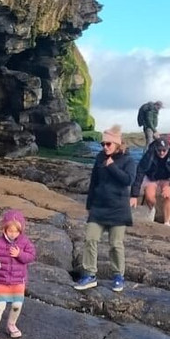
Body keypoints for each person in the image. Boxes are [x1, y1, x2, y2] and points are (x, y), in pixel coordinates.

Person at [75, 125, 138, 293]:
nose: (105, 147)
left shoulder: (128, 160)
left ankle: (118, 276)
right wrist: (89, 205)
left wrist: (112, 166)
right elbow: (94, 182)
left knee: (115, 245)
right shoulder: (99, 158)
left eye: (108, 144)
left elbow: (128, 180)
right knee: (90, 239)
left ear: (117, 144)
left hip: (118, 209)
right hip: (98, 207)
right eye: (103, 144)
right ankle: (89, 274)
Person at [0, 209, 37, 339]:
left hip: (18, 281)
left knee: (17, 305)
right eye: (10, 231)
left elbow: (31, 256)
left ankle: (11, 324)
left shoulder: (24, 242)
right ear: (4, 228)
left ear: (21, 230)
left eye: (16, 231)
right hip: (1, 280)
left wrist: (20, 254)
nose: (13, 234)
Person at [132, 137, 170, 227]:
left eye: (164, 150)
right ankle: (152, 210)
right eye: (159, 150)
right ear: (155, 148)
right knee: (149, 197)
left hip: (166, 177)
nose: (161, 152)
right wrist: (134, 195)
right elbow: (140, 171)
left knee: (168, 195)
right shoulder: (150, 154)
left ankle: (167, 222)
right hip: (151, 177)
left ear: (168, 148)